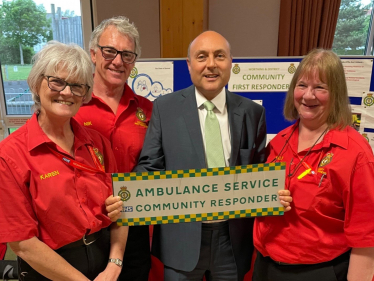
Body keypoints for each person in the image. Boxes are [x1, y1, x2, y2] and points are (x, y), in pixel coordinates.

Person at [134, 30, 291, 281]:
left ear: (231, 63)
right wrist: (129, 195)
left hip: (231, 243)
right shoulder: (165, 108)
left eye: (219, 56)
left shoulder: (252, 112)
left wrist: (274, 191)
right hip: (180, 241)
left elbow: (261, 171)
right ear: (189, 65)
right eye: (201, 56)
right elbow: (149, 165)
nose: (211, 64)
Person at [0, 41, 126, 281]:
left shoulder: (98, 144)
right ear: (37, 84)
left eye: (77, 86)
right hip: (47, 269)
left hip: (103, 262)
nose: (67, 92)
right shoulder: (10, 155)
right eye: (57, 82)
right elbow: (22, 243)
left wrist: (114, 264)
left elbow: (122, 208)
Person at [253, 49, 374, 281]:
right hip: (266, 266)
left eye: (320, 87)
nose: (308, 96)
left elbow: (366, 235)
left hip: (317, 272)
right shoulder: (280, 141)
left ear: (336, 93)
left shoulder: (355, 154)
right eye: (302, 85)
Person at [74, 16, 153, 281]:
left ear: (134, 62)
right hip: (87, 226)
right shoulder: (71, 106)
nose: (118, 61)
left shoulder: (149, 110)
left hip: (135, 224)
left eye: (127, 55)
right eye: (110, 51)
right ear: (93, 54)